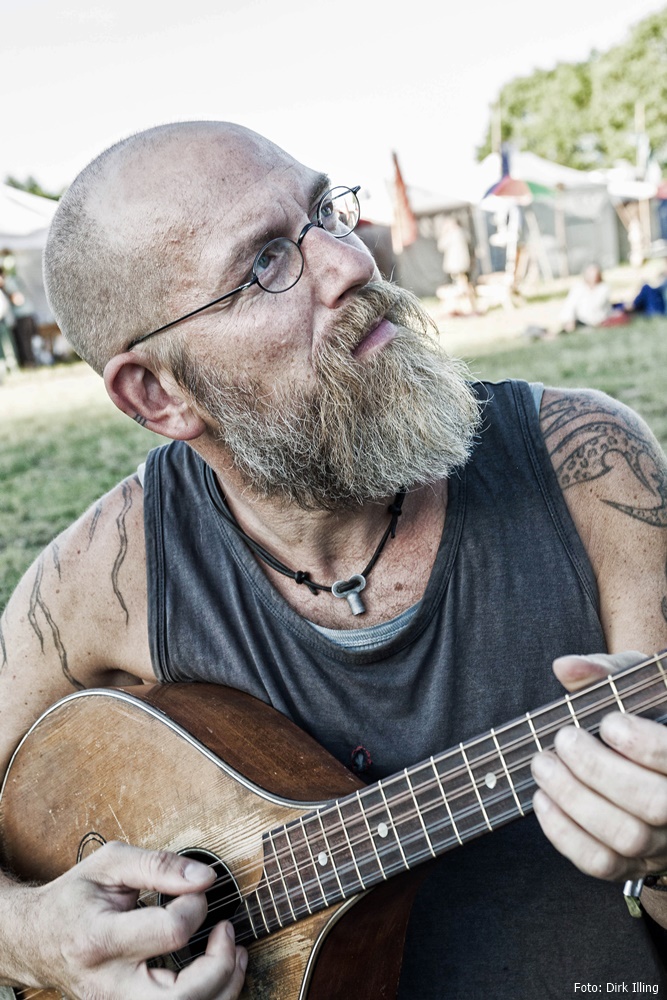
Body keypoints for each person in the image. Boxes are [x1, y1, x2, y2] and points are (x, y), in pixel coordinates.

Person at [1, 121, 667, 1000]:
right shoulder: (108, 573)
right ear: (157, 394)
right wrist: (37, 938)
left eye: (326, 211)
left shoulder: (584, 464)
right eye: (268, 262)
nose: (351, 263)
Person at [559, 262, 613, 332]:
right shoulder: (578, 287)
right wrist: (569, 319)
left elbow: (596, 306)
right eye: (590, 273)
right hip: (579, 320)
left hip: (597, 320)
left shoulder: (604, 288)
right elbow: (570, 304)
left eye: (594, 273)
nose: (592, 276)